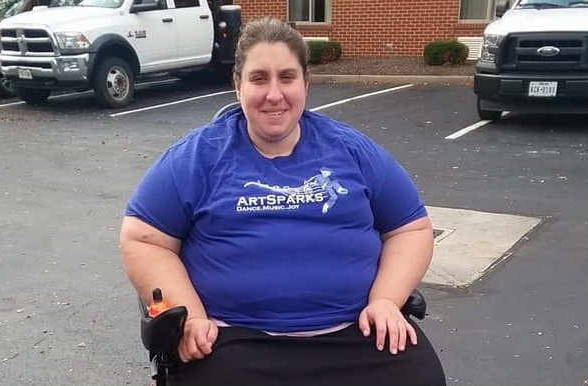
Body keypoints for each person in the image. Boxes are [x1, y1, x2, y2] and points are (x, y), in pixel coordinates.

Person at [119, 17, 446, 386]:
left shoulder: (352, 150)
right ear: (237, 85)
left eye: (287, 77)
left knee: (419, 374)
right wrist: (192, 317)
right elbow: (143, 239)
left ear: (305, 83)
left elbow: (411, 228)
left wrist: (386, 300)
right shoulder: (197, 157)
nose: (274, 94)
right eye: (259, 78)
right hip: (235, 341)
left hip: (354, 334)